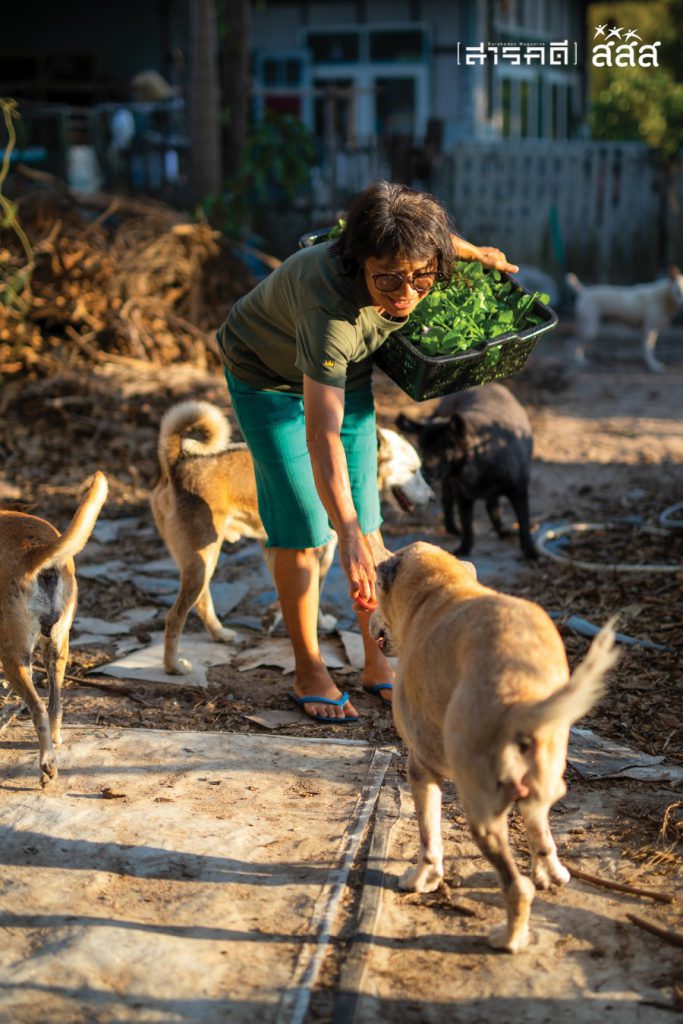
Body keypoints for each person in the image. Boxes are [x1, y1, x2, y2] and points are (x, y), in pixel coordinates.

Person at [216, 180, 518, 722]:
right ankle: (309, 666)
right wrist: (346, 533)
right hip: (267, 377)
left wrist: (473, 252)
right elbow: (322, 435)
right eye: (388, 279)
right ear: (358, 263)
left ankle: (378, 660)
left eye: (422, 278)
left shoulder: (398, 250)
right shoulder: (331, 314)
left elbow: (424, 241)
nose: (406, 293)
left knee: (369, 519)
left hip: (343, 374)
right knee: (308, 525)